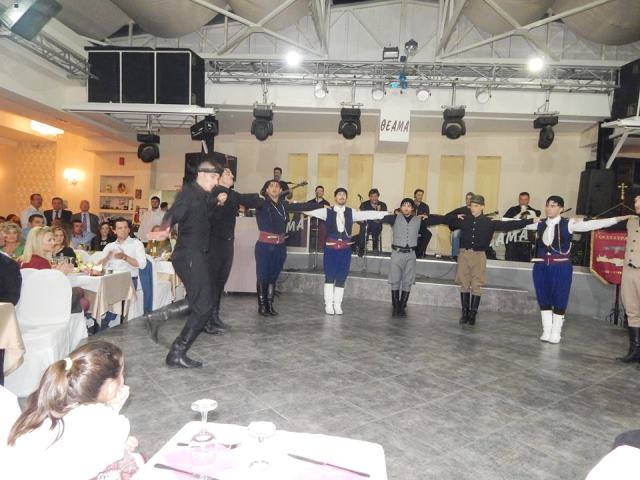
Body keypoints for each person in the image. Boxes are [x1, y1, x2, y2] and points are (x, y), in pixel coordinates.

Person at [3, 341, 142, 480]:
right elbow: (110, 447)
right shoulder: (111, 424)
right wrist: (113, 410)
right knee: (135, 463)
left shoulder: (51, 402)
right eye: (122, 374)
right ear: (110, 388)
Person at [143, 160, 228, 368]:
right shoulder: (189, 192)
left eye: (218, 178)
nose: (216, 181)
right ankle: (176, 352)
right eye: (213, 177)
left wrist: (217, 201)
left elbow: (200, 213)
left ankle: (159, 316)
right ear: (201, 174)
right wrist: (165, 228)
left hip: (195, 255)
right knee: (204, 306)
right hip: (189, 255)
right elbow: (174, 212)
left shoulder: (203, 195)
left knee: (198, 300)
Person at [526, 196, 631, 344]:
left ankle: (556, 332)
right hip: (541, 267)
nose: (549, 208)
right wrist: (496, 221)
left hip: (561, 267)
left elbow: (593, 224)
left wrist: (618, 219)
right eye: (548, 205)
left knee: (560, 296)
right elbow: (515, 223)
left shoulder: (569, 224)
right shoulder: (540, 223)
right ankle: (546, 330)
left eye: (553, 206)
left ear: (561, 209)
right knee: (543, 297)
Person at [446, 194, 536, 326]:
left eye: (476, 206)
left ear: (482, 207)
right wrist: (456, 216)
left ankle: (473, 314)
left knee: (476, 285)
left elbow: (510, 224)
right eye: (471, 206)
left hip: (479, 256)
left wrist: (530, 221)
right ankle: (464, 313)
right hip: (464, 255)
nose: (473, 208)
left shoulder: (489, 222)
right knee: (464, 284)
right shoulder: (464, 220)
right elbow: (446, 219)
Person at [302, 188, 388, 315]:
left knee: (341, 277)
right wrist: (318, 205)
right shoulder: (327, 211)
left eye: (344, 195)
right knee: (329, 277)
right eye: (339, 194)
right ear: (335, 197)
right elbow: (307, 210)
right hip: (331, 249)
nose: (342, 196)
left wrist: (385, 214)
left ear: (346, 198)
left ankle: (337, 304)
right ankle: (328, 304)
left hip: (345, 250)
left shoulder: (351, 212)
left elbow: (368, 214)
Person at [207, 167, 262, 331]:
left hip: (227, 244)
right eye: (228, 173)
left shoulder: (232, 194)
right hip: (213, 245)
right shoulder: (210, 193)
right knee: (211, 284)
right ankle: (206, 321)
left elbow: (249, 199)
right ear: (218, 177)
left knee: (220, 283)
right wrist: (216, 202)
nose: (232, 175)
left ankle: (214, 317)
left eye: (231, 173)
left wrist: (266, 196)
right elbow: (204, 215)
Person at [381, 199, 449, 316]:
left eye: (409, 206)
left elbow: (437, 219)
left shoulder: (419, 219)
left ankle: (402, 306)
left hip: (411, 254)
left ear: (412, 208)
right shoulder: (394, 218)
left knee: (407, 281)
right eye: (404, 205)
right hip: (397, 253)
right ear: (400, 208)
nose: (406, 208)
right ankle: (395, 306)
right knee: (395, 280)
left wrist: (453, 217)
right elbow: (379, 217)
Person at [253, 179, 311, 316]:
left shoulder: (283, 205)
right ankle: (262, 306)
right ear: (266, 190)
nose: (274, 188)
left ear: (280, 190)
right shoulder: (261, 204)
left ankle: (270, 304)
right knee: (263, 275)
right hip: (265, 246)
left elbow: (302, 206)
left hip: (280, 246)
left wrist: (322, 206)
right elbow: (245, 200)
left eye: (277, 186)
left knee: (273, 277)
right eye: (271, 186)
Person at [97, 218, 147, 330]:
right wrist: (107, 258)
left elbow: (142, 265)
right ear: (114, 231)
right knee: (94, 289)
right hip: (110, 279)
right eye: (120, 228)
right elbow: (99, 266)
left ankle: (105, 321)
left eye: (125, 228)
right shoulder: (110, 246)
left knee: (111, 291)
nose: (123, 230)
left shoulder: (136, 244)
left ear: (129, 230)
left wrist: (125, 257)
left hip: (128, 280)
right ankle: (94, 317)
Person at [618, 195, 640, 362]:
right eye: (636, 201)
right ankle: (635, 351)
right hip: (629, 270)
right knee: (632, 310)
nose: (636, 204)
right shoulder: (632, 221)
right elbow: (610, 223)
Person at [503, 192, 541, 262]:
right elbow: (504, 222)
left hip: (527, 237)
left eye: (525, 199)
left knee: (525, 257)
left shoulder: (533, 211)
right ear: (519, 200)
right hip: (512, 236)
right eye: (521, 199)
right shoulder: (512, 210)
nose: (523, 201)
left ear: (528, 200)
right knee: (510, 256)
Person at [357, 188, 388, 254]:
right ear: (369, 197)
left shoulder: (382, 205)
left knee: (375, 225)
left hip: (377, 224)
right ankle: (361, 247)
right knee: (364, 227)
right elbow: (359, 216)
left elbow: (385, 218)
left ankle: (375, 247)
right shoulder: (364, 204)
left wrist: (379, 211)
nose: (374, 198)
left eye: (375, 196)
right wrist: (360, 220)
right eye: (372, 196)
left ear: (378, 196)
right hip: (366, 224)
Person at [446, 192, 474, 258]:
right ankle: (455, 255)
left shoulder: (476, 210)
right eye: (467, 199)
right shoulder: (461, 209)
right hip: (462, 230)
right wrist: (457, 216)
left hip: (472, 231)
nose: (468, 200)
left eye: (470, 199)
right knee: (456, 233)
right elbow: (447, 215)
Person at [306, 185, 331, 252]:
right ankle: (306, 247)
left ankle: (321, 248)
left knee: (323, 227)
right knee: (305, 226)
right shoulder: (310, 202)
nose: (319, 192)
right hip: (311, 221)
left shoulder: (326, 203)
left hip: (322, 222)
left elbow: (327, 215)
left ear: (323, 192)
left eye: (321, 191)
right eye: (318, 191)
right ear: (315, 192)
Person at [413, 189, 431, 258]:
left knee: (428, 234)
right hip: (410, 226)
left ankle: (419, 252)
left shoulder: (425, 206)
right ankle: (415, 252)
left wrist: (424, 217)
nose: (420, 197)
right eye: (419, 195)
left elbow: (427, 217)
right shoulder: (410, 204)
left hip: (421, 226)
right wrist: (417, 217)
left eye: (421, 195)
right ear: (415, 195)